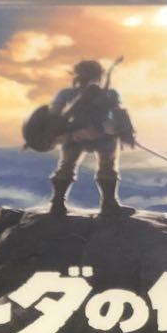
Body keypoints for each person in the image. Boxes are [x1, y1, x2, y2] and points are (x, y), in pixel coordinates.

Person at [47, 59, 136, 217]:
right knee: (76, 166)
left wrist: (121, 130)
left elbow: (117, 114)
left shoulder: (69, 93)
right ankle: (106, 204)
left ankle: (58, 204)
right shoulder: (72, 93)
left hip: (92, 136)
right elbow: (55, 117)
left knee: (70, 166)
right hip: (82, 136)